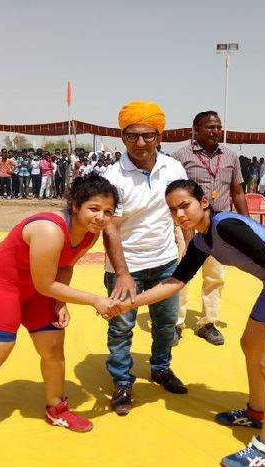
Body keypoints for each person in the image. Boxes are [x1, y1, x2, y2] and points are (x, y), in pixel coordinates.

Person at [108, 179, 265, 467]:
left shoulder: (226, 226)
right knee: (250, 344)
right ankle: (256, 412)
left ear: (204, 202)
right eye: (172, 210)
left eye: (185, 205)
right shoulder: (202, 240)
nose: (179, 214)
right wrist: (131, 303)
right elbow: (176, 281)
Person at [0, 174, 119, 448]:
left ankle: (56, 409)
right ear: (76, 205)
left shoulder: (90, 233)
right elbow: (45, 284)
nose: (101, 217)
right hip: (0, 286)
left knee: (53, 349)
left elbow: (65, 265)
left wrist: (61, 302)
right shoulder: (49, 229)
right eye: (94, 208)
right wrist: (94, 300)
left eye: (108, 212)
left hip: (40, 289)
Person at [102, 100, 189, 416]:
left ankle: (161, 368)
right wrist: (123, 273)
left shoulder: (174, 168)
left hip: (165, 262)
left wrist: (187, 253)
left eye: (148, 135)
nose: (140, 143)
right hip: (126, 268)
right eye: (132, 135)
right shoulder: (113, 176)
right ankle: (122, 382)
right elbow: (110, 228)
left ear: (159, 136)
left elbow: (183, 211)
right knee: (121, 327)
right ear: (122, 137)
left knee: (165, 324)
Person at [171, 110, 249, 346]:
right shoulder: (180, 157)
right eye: (210, 127)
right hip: (188, 226)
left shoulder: (230, 156)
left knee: (215, 276)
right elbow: (172, 194)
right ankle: (176, 323)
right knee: (181, 274)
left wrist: (247, 224)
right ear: (196, 129)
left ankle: (207, 323)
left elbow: (237, 191)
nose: (216, 131)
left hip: (218, 227)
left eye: (218, 127)